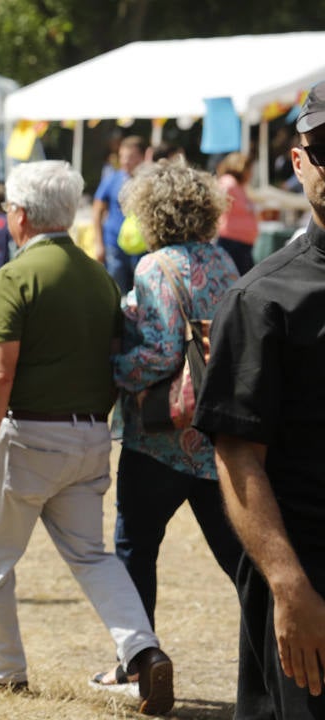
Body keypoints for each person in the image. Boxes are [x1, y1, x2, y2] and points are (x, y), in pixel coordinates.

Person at [0, 160, 174, 716]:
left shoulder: (17, 274)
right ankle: (143, 652)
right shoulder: (98, 274)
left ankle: (2, 671)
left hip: (29, 435)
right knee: (92, 557)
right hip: (91, 436)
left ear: (20, 215)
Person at [193, 80, 325, 719]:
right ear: (299, 163)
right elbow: (237, 453)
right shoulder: (261, 300)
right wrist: (287, 583)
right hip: (307, 572)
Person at [90, 158, 242, 689]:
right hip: (216, 436)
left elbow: (156, 355)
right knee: (239, 557)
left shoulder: (156, 266)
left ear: (149, 212)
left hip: (158, 437)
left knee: (135, 548)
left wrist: (111, 371)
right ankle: (275, 653)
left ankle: (139, 662)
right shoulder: (224, 262)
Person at [93, 135, 148, 293]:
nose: (125, 161)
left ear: (143, 157)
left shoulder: (150, 181)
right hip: (114, 244)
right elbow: (97, 210)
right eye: (122, 156)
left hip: (142, 247)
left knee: (142, 291)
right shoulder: (112, 179)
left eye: (130, 157)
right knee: (116, 290)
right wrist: (99, 243)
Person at [214, 152, 260, 276]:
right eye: (249, 169)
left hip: (241, 243)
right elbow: (218, 203)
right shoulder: (229, 183)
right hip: (232, 242)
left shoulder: (240, 186)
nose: (251, 173)